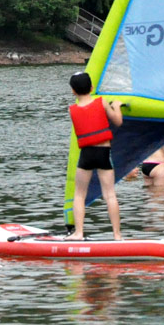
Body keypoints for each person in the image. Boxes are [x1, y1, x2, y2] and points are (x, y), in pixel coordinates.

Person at [64, 72, 123, 241]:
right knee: (110, 194)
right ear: (91, 87)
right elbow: (117, 121)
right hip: (103, 153)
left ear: (73, 91)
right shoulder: (101, 101)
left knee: (79, 194)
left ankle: (79, 233)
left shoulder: (72, 110)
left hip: (86, 155)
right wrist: (117, 106)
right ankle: (117, 235)